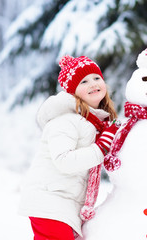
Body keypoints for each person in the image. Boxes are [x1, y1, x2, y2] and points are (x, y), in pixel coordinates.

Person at [18, 55, 118, 240]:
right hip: (50, 203)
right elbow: (63, 161)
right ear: (73, 92)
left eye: (96, 78)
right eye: (84, 81)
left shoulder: (94, 123)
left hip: (63, 204)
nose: (93, 83)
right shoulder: (65, 120)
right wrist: (101, 148)